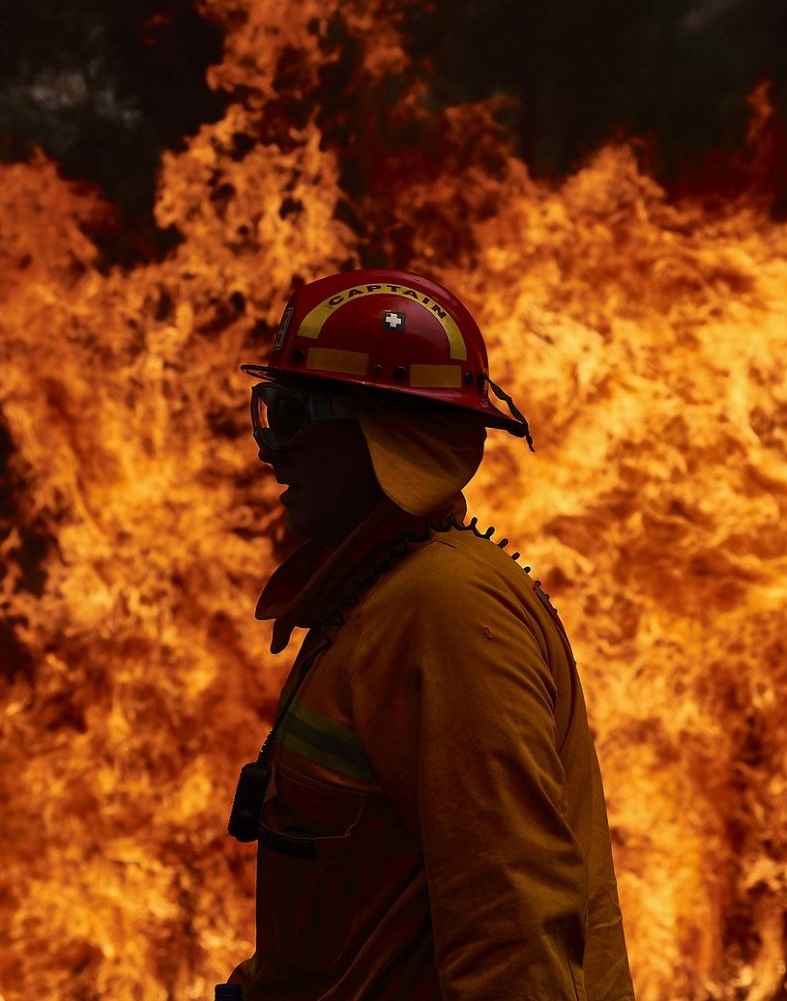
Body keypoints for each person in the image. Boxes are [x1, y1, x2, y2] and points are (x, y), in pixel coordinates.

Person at [224, 268, 636, 1000]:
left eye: (288, 415)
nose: (269, 450)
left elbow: (512, 938)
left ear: (378, 433)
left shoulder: (448, 613)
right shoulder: (374, 595)